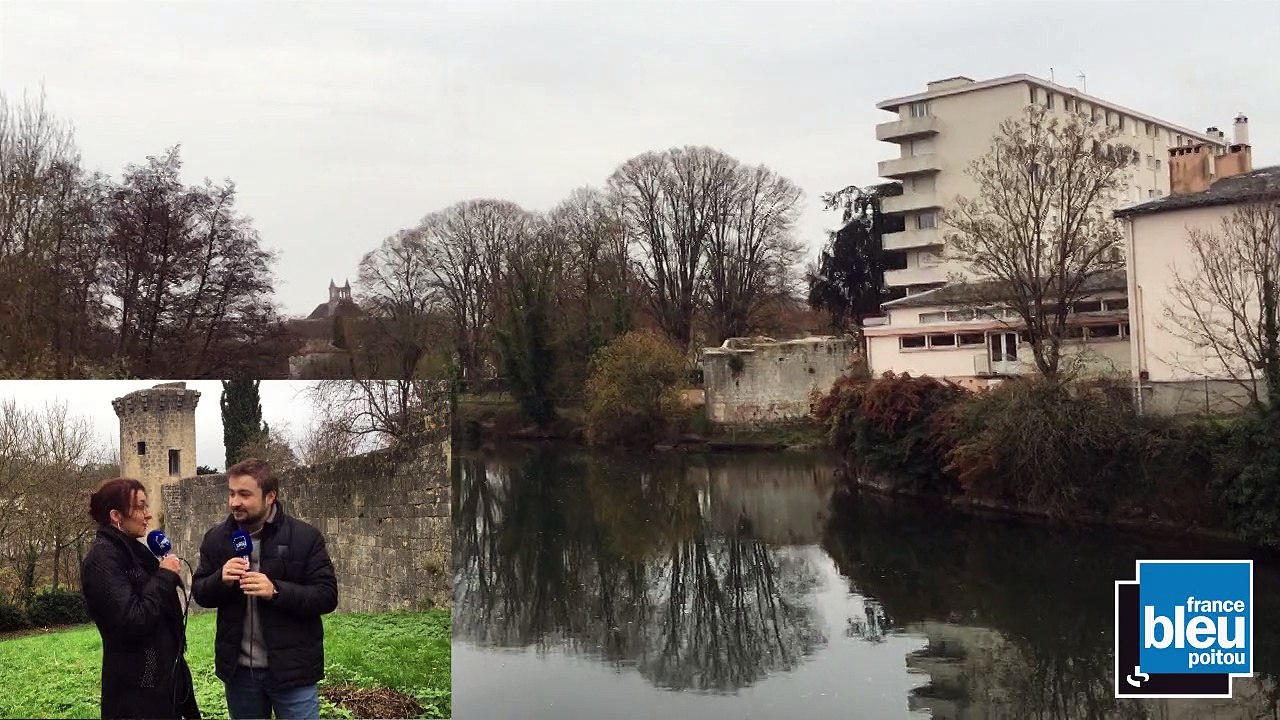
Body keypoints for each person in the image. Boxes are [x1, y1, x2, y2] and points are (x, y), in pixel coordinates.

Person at [192, 458, 338, 719]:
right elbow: (200, 593)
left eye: (244, 494)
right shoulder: (217, 538)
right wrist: (220, 580)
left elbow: (326, 595)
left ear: (270, 496)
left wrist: (276, 591)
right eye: (232, 493)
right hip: (240, 673)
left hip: (293, 672)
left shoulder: (305, 537)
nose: (234, 502)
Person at [80, 478, 201, 720]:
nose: (148, 515)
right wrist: (165, 576)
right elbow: (131, 621)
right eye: (140, 507)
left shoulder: (136, 552)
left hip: (167, 682)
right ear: (116, 515)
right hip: (138, 694)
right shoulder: (102, 561)